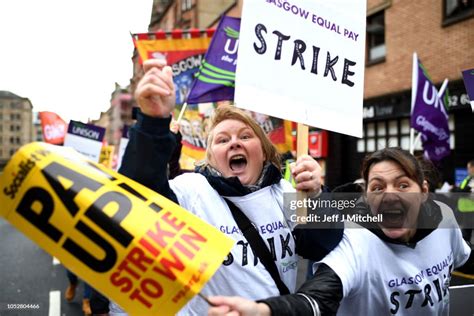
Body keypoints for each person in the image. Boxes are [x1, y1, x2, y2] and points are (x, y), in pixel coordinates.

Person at [100, 59, 342, 315]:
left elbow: (322, 246)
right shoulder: (193, 191)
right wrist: (152, 122)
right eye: (222, 140)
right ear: (212, 157)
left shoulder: (283, 191)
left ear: (263, 152)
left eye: (245, 136)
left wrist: (317, 195)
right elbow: (139, 203)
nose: (234, 143)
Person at [207, 148, 474, 316]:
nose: (390, 196)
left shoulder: (443, 218)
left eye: (403, 185)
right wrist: (263, 310)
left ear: (424, 192)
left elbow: (465, 258)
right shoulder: (356, 242)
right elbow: (316, 299)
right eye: (378, 187)